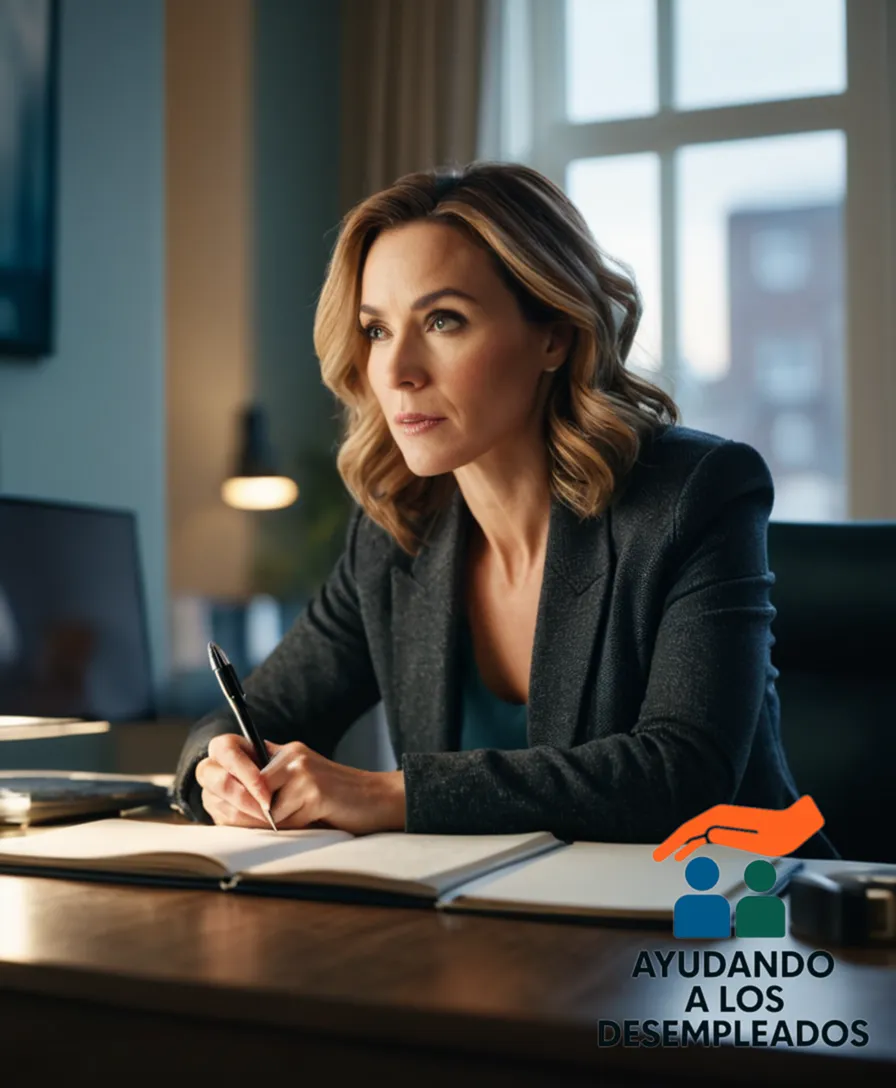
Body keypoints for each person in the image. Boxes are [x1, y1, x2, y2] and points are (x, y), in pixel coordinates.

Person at [171, 160, 838, 860]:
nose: (398, 371)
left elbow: (682, 777)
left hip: (731, 930)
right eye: (375, 330)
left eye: (443, 321)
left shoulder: (693, 496)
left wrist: (384, 794)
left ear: (553, 333)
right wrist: (218, 768)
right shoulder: (398, 532)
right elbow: (247, 715)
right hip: (502, 927)